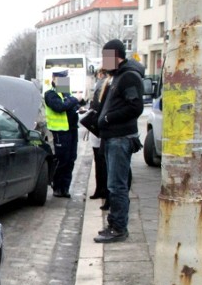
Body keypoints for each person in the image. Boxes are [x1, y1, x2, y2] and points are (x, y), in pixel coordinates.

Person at [94, 39, 145, 243]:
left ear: (116, 56)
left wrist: (108, 118)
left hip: (120, 138)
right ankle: (114, 223)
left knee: (117, 186)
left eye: (106, 57)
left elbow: (135, 107)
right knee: (113, 184)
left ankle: (118, 228)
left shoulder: (128, 77)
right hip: (112, 138)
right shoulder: (117, 77)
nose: (104, 62)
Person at [44, 71, 82, 198]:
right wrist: (73, 100)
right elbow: (60, 107)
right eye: (62, 79)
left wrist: (77, 105)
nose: (64, 82)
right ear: (54, 79)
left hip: (72, 129)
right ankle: (57, 187)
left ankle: (65, 188)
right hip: (60, 131)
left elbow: (72, 104)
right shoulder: (50, 94)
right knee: (62, 160)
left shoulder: (66, 92)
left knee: (71, 159)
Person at [88, 69, 111, 203]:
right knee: (102, 161)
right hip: (101, 127)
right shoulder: (107, 85)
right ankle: (102, 190)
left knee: (100, 161)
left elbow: (96, 105)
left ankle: (101, 189)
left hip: (99, 128)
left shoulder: (102, 85)